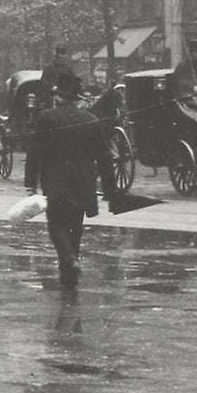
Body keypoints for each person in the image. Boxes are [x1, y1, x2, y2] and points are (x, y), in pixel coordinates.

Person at [24, 71, 118, 289]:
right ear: (77, 99)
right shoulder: (92, 121)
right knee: (75, 228)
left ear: (57, 97)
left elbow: (34, 151)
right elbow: (105, 158)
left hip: (56, 184)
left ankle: (69, 261)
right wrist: (111, 191)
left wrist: (30, 183)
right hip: (82, 185)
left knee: (56, 226)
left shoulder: (47, 117)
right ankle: (69, 278)